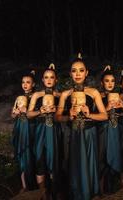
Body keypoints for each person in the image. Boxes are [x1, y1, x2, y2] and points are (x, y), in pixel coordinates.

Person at [55, 54, 107, 200]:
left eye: (81, 70)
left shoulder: (94, 92)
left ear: (87, 72)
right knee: (73, 164)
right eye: (74, 70)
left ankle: (92, 193)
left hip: (89, 134)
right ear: (70, 73)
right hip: (73, 134)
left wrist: (89, 114)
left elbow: (104, 115)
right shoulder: (65, 94)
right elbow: (56, 117)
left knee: (90, 163)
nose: (77, 74)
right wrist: (68, 116)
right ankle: (76, 194)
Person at [27, 64, 61, 198]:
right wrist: (39, 111)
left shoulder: (59, 95)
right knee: (40, 159)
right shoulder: (37, 95)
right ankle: (42, 194)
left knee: (54, 160)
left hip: (54, 130)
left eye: (52, 77)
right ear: (42, 80)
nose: (49, 80)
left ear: (56, 80)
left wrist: (56, 110)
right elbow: (29, 114)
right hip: (40, 130)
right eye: (46, 77)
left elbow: (65, 115)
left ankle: (54, 192)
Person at [98, 65, 123, 193]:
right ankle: (101, 190)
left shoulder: (119, 96)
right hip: (103, 130)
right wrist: (107, 107)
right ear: (102, 83)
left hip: (116, 129)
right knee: (102, 158)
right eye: (107, 81)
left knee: (119, 155)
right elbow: (95, 115)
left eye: (112, 81)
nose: (110, 83)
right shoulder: (99, 96)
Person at [11, 70, 36, 192]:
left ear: (33, 84)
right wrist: (15, 113)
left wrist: (28, 110)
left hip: (30, 127)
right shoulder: (18, 97)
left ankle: (35, 184)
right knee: (21, 153)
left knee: (30, 152)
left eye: (28, 82)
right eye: (23, 82)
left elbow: (36, 113)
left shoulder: (36, 97)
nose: (25, 85)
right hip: (20, 127)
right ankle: (24, 185)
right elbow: (12, 114)